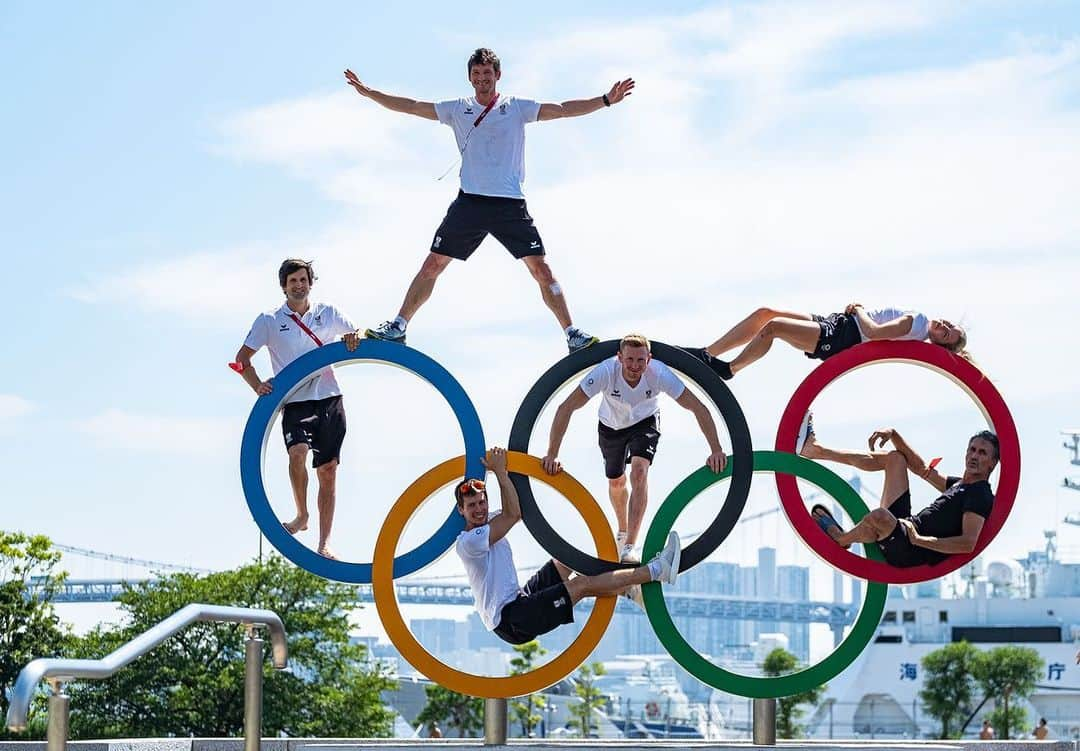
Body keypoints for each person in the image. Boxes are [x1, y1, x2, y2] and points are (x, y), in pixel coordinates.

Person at [345, 48, 634, 353]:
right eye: (477, 74)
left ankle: (572, 332)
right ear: (470, 78)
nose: (482, 79)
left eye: (487, 73)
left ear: (498, 75)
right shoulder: (457, 109)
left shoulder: (516, 107)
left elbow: (562, 109)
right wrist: (369, 93)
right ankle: (398, 326)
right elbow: (412, 106)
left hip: (509, 204)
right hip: (470, 203)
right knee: (433, 263)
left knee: (542, 270)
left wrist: (605, 101)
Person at [455, 447, 682, 645]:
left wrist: (551, 469)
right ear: (461, 510)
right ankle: (656, 570)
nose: (479, 509)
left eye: (482, 501)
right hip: (511, 620)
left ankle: (628, 588)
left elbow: (518, 507)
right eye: (471, 505)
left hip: (519, 597)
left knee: (567, 561)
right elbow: (513, 514)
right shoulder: (468, 542)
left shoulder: (490, 522)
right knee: (582, 585)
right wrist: (500, 473)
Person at [541, 334, 727, 562]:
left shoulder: (658, 373)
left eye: (640, 360)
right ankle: (622, 530)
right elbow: (565, 408)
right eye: (629, 360)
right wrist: (552, 454)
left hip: (645, 422)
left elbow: (698, 407)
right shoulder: (606, 371)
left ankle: (630, 546)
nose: (634, 366)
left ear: (649, 359)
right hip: (611, 426)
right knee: (616, 482)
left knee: (639, 472)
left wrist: (716, 449)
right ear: (619, 357)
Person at [233, 259, 361, 559]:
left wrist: (353, 337)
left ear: (310, 282)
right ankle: (302, 514)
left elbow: (356, 334)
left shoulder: (327, 313)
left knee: (328, 471)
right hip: (294, 401)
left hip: (329, 397)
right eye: (292, 281)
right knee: (297, 453)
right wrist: (257, 386)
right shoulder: (269, 320)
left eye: (303, 280)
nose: (299, 285)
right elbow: (241, 360)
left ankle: (324, 542)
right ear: (284, 286)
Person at [800, 417, 998, 568]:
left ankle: (841, 539)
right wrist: (893, 434)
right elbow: (921, 468)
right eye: (972, 449)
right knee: (896, 458)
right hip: (904, 527)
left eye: (982, 453)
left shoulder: (979, 494)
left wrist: (920, 540)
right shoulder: (959, 485)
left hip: (910, 548)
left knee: (879, 517)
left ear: (993, 463)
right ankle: (816, 451)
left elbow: (967, 543)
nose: (974, 456)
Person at [680, 304, 967, 380]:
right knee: (767, 313)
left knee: (773, 327)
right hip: (838, 324)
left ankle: (730, 369)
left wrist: (859, 310)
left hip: (844, 334)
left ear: (939, 343)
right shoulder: (920, 324)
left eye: (946, 334)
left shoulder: (916, 324)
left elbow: (875, 332)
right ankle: (706, 354)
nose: (944, 327)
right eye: (950, 325)